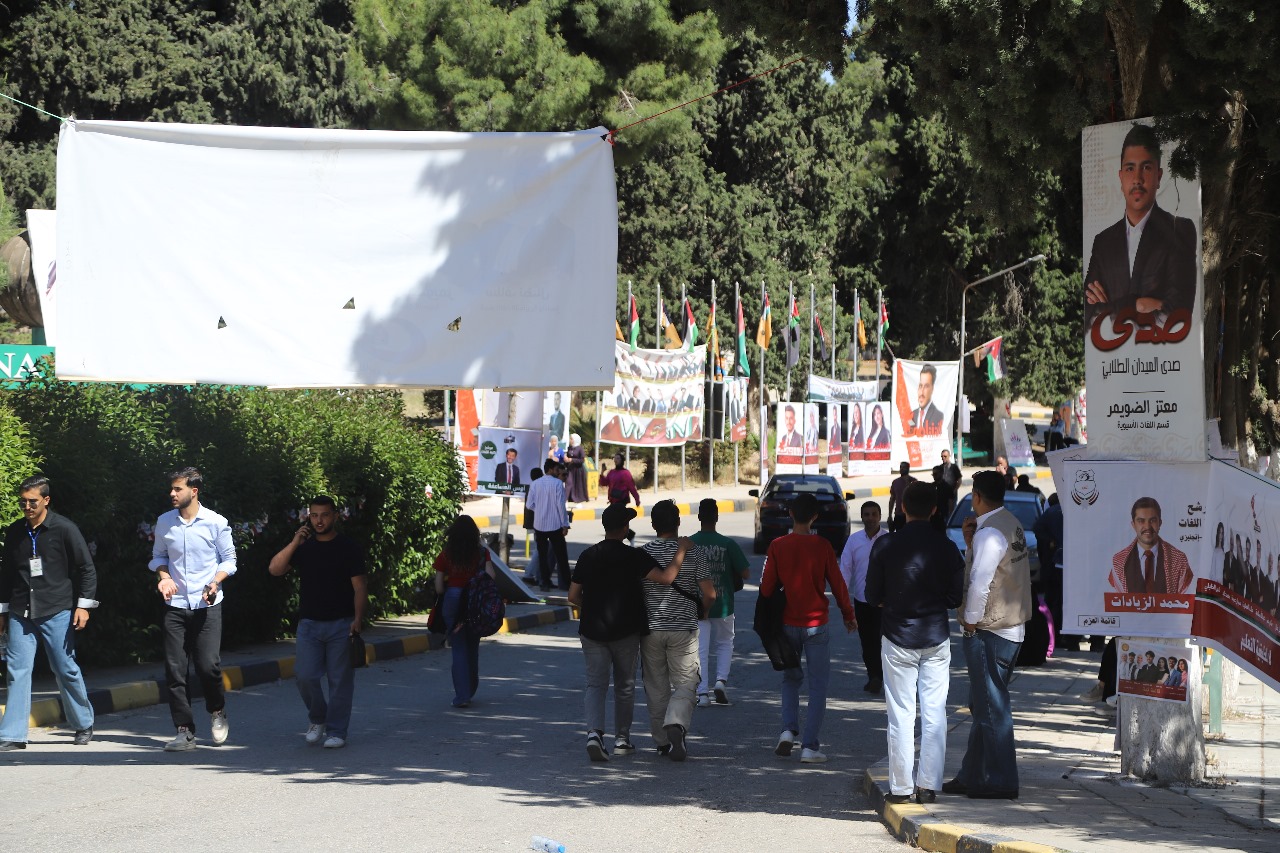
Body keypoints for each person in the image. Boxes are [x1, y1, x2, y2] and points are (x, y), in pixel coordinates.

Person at [866, 481, 965, 805]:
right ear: (935, 510)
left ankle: (900, 788)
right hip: (935, 637)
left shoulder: (884, 545)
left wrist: (893, 602)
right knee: (935, 713)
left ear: (902, 508)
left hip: (897, 637)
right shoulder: (947, 547)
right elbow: (955, 596)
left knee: (901, 714)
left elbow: (871, 594)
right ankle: (928, 785)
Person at [569, 504, 690, 761]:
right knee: (624, 686)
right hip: (626, 632)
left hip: (592, 631)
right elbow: (667, 578)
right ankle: (622, 739)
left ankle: (594, 735)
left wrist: (592, 607)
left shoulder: (588, 555)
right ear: (625, 529)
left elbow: (573, 595)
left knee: (595, 684)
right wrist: (681, 550)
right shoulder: (634, 556)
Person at [943, 470, 1032, 799]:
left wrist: (969, 621)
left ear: (976, 496)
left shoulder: (990, 533)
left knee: (992, 707)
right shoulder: (1009, 522)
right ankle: (971, 774)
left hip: (992, 631)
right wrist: (970, 544)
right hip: (1010, 628)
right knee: (982, 704)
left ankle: (1001, 781)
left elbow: (980, 583)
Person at [0, 475, 98, 751]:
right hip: (21, 611)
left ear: (46, 500)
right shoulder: (15, 531)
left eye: (32, 502)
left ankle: (82, 723)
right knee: (17, 671)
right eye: (23, 502)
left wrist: (84, 606)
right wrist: (2, 611)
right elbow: (6, 574)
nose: (27, 507)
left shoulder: (65, 528)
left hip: (56, 609)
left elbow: (86, 568)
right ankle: (13, 734)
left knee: (65, 668)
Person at [760, 493, 857, 764]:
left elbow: (766, 588)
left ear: (790, 514)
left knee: (790, 680)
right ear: (815, 516)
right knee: (817, 687)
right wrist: (848, 615)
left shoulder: (778, 546)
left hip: (787, 624)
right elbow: (838, 584)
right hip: (816, 625)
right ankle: (809, 747)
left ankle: (787, 730)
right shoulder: (823, 546)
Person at [268, 495, 367, 749]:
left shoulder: (348, 547)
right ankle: (318, 718)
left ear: (335, 516)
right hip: (309, 625)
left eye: (324, 515)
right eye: (314, 515)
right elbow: (275, 569)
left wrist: (357, 619)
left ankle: (337, 731)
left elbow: (359, 587)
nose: (319, 520)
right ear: (308, 517)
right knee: (305, 675)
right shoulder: (304, 548)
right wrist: (294, 542)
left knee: (339, 681)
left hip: (341, 624)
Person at [150, 467, 237, 751]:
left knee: (208, 666)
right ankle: (184, 731)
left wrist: (215, 582)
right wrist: (164, 577)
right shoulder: (165, 522)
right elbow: (158, 556)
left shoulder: (215, 522)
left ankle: (217, 710)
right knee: (175, 670)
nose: (172, 494)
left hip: (207, 604)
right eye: (171, 489)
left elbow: (229, 560)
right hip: (175, 605)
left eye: (178, 489)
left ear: (194, 491)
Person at [1084, 123, 1197, 327]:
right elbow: (1090, 317)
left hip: (1162, 347)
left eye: (1146, 167)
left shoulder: (1179, 230)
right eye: (1130, 168)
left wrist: (1111, 307)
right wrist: (1139, 304)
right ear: (1121, 177)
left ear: (1158, 176)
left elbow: (1177, 315)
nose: (1137, 179)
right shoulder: (1103, 242)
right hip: (1113, 347)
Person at [639, 500, 713, 761]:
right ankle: (676, 721)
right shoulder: (694, 552)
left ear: (653, 525)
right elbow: (710, 594)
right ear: (679, 522)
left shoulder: (643, 553)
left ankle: (662, 743)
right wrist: (703, 611)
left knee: (656, 686)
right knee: (687, 681)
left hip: (651, 629)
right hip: (683, 628)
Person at [691, 499, 750, 707]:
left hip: (699, 604)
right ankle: (721, 682)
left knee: (700, 649)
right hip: (724, 604)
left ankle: (703, 694)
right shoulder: (727, 544)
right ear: (717, 517)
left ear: (699, 517)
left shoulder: (690, 543)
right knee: (725, 642)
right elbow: (746, 572)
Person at [432, 516, 496, 708]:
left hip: (453, 600)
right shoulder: (482, 553)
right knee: (473, 646)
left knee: (458, 646)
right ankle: (470, 688)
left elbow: (438, 588)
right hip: (475, 602)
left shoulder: (446, 555)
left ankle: (462, 695)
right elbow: (491, 576)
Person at [838, 501, 889, 693]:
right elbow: (845, 570)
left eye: (874, 514)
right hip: (862, 601)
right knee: (868, 642)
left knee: (886, 642)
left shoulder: (888, 539)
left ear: (880, 516)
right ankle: (874, 676)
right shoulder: (853, 541)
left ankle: (885, 677)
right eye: (866, 514)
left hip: (885, 602)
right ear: (861, 517)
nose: (870, 518)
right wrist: (843, 600)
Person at [1107, 497, 1193, 594]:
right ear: (1133, 524)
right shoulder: (1119, 562)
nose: (1147, 527)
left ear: (1160, 523)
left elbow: (1184, 598)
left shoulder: (1179, 560)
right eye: (1141, 521)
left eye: (1152, 520)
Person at [526, 460, 571, 591]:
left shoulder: (535, 484)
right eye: (556, 469)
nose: (558, 472)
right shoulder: (558, 484)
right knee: (561, 556)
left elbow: (529, 505)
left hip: (539, 525)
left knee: (542, 556)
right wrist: (565, 524)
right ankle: (566, 584)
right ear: (551, 469)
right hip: (555, 525)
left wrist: (539, 510)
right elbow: (560, 505)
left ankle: (544, 582)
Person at [909, 364, 945, 435]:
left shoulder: (938, 416)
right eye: (920, 386)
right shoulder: (912, 415)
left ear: (932, 389)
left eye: (926, 386)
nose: (921, 392)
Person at [887, 462, 915, 533]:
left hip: (911, 515)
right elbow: (892, 499)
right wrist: (890, 515)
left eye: (904, 467)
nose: (902, 469)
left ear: (908, 469)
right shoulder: (895, 482)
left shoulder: (913, 481)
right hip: (899, 514)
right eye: (901, 467)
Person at [564, 434, 588, 504]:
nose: (570, 440)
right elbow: (568, 457)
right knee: (568, 483)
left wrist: (572, 460)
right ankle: (565, 500)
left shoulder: (580, 449)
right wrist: (566, 460)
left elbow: (582, 460)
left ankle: (578, 501)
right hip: (570, 469)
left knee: (578, 485)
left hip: (578, 470)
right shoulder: (569, 448)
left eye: (571, 439)